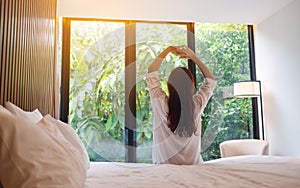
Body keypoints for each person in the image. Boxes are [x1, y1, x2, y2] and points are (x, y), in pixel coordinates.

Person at [146, 45, 216, 165]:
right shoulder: (197, 104)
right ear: (191, 85)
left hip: (164, 169)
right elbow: (210, 81)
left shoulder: (160, 102)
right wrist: (193, 57)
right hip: (194, 169)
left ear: (169, 85)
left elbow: (151, 73)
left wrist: (168, 50)